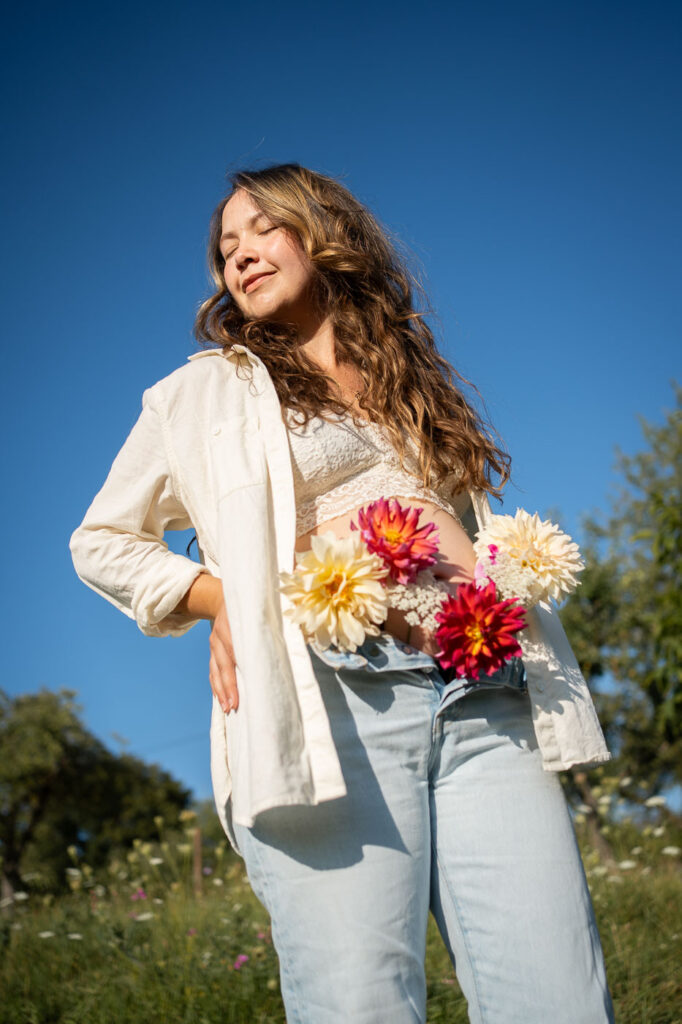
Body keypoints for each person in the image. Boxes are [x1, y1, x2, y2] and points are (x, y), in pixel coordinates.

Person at [70, 163, 616, 1023]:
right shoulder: (202, 392)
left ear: (324, 232)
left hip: (485, 696)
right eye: (225, 247)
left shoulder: (410, 377)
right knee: (360, 1004)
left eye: (261, 230)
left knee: (559, 999)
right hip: (333, 706)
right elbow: (102, 541)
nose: (239, 256)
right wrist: (217, 598)